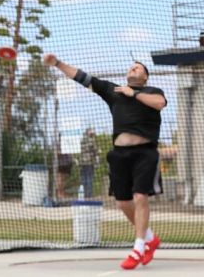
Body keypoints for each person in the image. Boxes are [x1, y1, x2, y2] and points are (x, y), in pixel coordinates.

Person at [44, 53, 166, 270]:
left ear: (146, 77)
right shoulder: (114, 91)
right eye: (131, 67)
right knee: (122, 202)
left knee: (140, 196)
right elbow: (83, 78)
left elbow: (159, 103)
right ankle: (149, 238)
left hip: (145, 153)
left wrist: (134, 94)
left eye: (138, 68)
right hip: (119, 155)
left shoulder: (152, 92)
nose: (132, 69)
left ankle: (138, 247)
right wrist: (58, 64)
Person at [79, 127, 99, 198]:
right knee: (89, 178)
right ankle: (89, 194)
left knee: (84, 178)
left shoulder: (82, 140)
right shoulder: (91, 140)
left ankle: (84, 194)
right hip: (89, 161)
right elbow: (95, 151)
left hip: (82, 162)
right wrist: (97, 161)